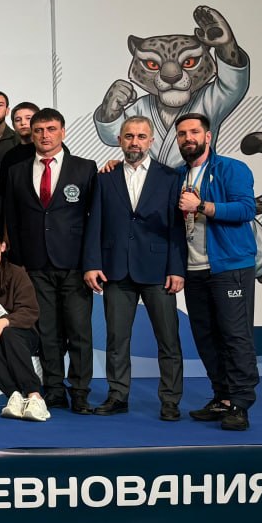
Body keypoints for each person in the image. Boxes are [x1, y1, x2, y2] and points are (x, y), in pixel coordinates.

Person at [83, 116, 186, 420]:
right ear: (120, 140)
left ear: (151, 141)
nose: (135, 142)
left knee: (168, 339)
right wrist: (92, 264)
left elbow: (177, 228)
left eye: (141, 137)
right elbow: (94, 223)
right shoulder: (105, 178)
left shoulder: (170, 178)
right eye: (129, 136)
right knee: (116, 339)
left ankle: (170, 400)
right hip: (116, 269)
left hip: (159, 270)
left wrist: (177, 268)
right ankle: (118, 396)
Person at [3, 108, 97, 415]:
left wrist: (91, 262)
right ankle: (54, 390)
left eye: (51, 129)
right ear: (31, 134)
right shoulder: (17, 171)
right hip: (35, 265)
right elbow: (12, 220)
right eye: (39, 130)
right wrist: (19, 264)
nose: (45, 135)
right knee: (47, 333)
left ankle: (80, 392)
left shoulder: (85, 168)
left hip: (74, 265)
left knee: (79, 332)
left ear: (63, 132)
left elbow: (94, 220)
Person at [175, 113, 258, 431]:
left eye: (194, 132)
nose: (188, 138)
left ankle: (240, 403)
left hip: (229, 267)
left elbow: (246, 209)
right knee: (206, 336)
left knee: (235, 336)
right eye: (182, 134)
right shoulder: (178, 175)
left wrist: (202, 206)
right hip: (194, 269)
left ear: (207, 136)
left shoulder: (231, 168)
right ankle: (222, 397)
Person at [0, 228, 47, 422]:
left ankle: (34, 395)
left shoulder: (17, 273)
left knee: (8, 333)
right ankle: (14, 396)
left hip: (22, 332)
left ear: (3, 247)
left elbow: (30, 310)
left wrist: (4, 322)